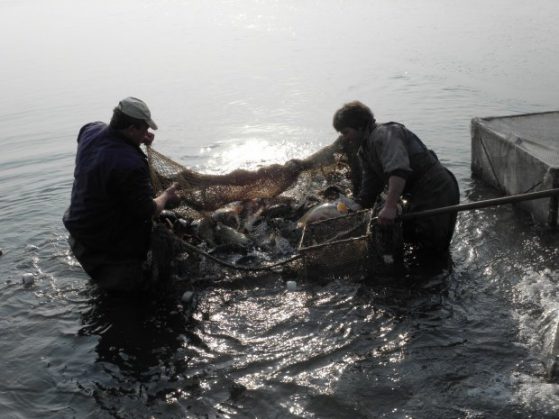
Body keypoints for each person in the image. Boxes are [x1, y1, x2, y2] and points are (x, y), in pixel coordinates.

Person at [63, 97, 179, 292]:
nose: (147, 134)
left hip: (78, 232)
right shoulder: (130, 164)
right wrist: (166, 196)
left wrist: (138, 141)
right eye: (143, 129)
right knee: (132, 300)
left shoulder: (90, 130)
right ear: (132, 128)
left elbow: (106, 150)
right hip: (107, 250)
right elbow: (149, 210)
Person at [332, 100, 460, 256]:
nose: (344, 138)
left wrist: (390, 206)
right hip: (416, 194)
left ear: (359, 126)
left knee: (433, 250)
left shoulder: (385, 134)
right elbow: (370, 188)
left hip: (436, 189)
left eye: (346, 132)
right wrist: (356, 208)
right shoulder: (364, 151)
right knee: (413, 239)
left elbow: (399, 170)